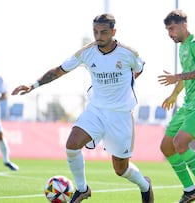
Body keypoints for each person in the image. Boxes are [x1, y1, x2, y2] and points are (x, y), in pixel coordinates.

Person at [11, 14, 154, 203]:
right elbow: (59, 70)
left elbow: (140, 67)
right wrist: (33, 85)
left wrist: (128, 83)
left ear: (113, 32)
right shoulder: (87, 52)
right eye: (96, 32)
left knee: (121, 169)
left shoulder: (128, 53)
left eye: (103, 32)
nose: (99, 36)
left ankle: (145, 185)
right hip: (96, 111)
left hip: (120, 115)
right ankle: (82, 189)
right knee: (72, 145)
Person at [157, 10, 195, 203]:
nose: (170, 33)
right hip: (189, 106)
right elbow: (187, 75)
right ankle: (190, 190)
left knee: (180, 143)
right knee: (166, 146)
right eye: (167, 29)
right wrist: (174, 94)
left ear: (184, 25)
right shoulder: (183, 48)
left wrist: (177, 77)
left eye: (172, 28)